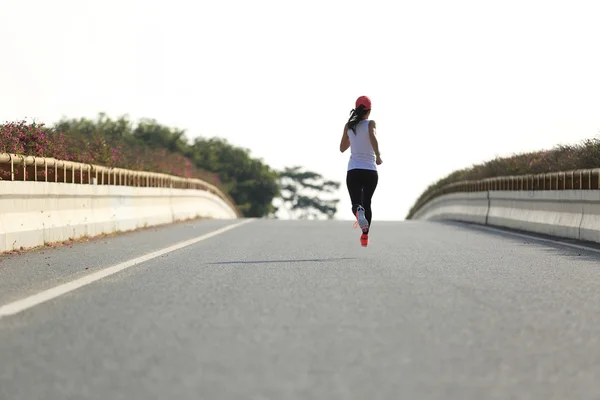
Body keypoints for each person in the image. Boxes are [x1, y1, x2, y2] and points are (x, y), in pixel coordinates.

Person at [339, 95, 382, 247]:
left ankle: (358, 210)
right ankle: (365, 236)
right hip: (370, 171)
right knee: (367, 203)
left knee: (356, 204)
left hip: (354, 170)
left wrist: (353, 138)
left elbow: (342, 148)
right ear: (369, 111)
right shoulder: (371, 124)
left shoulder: (349, 126)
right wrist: (378, 155)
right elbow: (372, 137)